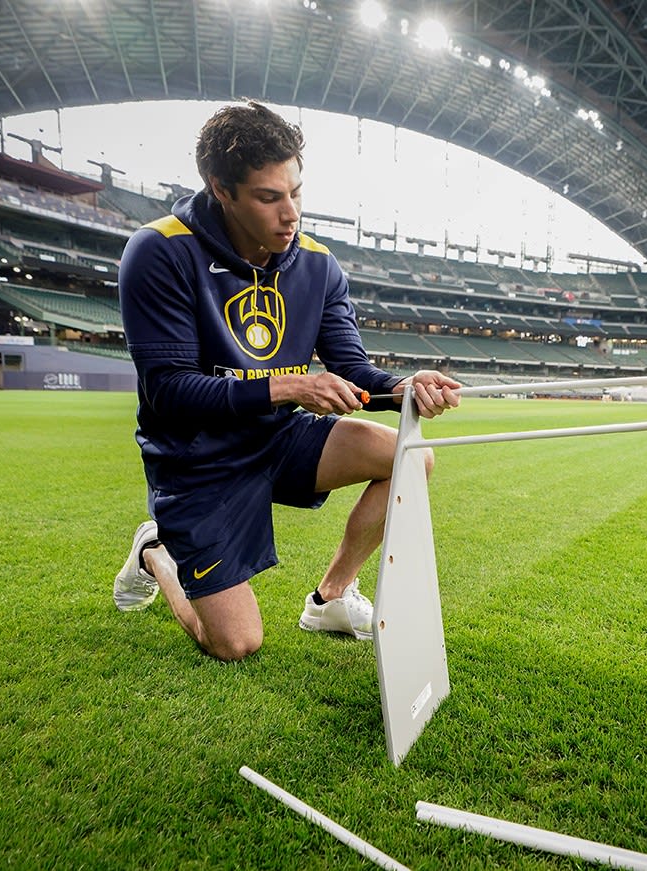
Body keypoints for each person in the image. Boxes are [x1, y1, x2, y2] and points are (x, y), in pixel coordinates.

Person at [112, 101, 460, 662]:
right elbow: (169, 391)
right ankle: (157, 551)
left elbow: (354, 369)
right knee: (235, 644)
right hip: (196, 458)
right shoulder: (159, 251)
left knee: (412, 459)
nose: (290, 212)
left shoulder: (319, 265)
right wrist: (291, 387)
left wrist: (405, 387)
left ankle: (330, 597)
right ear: (220, 190)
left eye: (296, 191)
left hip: (275, 438)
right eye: (268, 197)